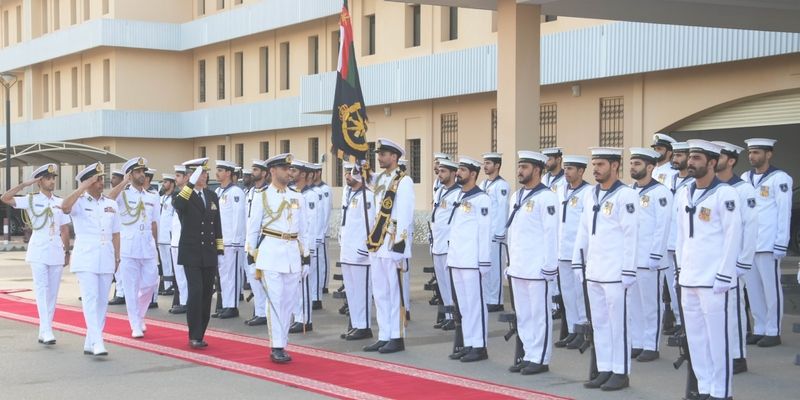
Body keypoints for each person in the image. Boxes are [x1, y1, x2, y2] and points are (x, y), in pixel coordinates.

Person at [676, 139, 742, 400]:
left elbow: (732, 236)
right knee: (696, 339)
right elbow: (680, 235)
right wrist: (680, 270)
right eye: (690, 158)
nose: (690, 162)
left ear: (712, 163)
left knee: (718, 340)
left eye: (697, 158)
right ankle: (703, 387)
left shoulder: (725, 194)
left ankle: (721, 391)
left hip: (715, 280)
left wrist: (725, 273)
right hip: (690, 277)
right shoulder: (684, 193)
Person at [573, 147, 638, 391]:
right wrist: (578, 260)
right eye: (594, 164)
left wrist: (629, 270)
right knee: (599, 323)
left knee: (618, 324)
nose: (595, 169)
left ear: (614, 166)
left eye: (600, 164)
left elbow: (632, 236)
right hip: (595, 269)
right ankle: (605, 368)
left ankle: (620, 372)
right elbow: (583, 230)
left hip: (616, 272)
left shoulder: (625, 195)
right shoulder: (591, 194)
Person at [246, 153, 312, 363]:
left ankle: (282, 342)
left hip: (292, 254)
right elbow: (252, 228)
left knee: (288, 302)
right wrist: (251, 255)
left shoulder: (297, 196)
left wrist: (306, 256)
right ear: (273, 171)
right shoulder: (261, 196)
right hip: (270, 254)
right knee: (275, 300)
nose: (289, 172)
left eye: (290, 169)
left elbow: (304, 230)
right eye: (284, 169)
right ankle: (276, 346)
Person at [1, 164, 71, 345]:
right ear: (40, 181)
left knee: (53, 292)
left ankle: (44, 329)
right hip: (39, 249)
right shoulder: (31, 199)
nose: (52, 181)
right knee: (41, 289)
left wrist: (67, 251)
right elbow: (5, 198)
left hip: (56, 249)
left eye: (53, 178)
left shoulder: (59, 202)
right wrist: (24, 184)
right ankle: (47, 330)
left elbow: (64, 229)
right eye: (48, 178)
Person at [505, 151, 559, 374]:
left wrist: (549, 265)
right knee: (524, 316)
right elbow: (513, 234)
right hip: (518, 266)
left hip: (537, 268)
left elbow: (551, 234)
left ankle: (540, 358)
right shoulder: (516, 196)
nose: (520, 171)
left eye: (525, 167)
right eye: (519, 166)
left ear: (537, 170)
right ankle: (528, 354)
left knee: (539, 315)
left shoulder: (547, 197)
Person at [61, 163, 121, 356]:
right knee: (90, 298)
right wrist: (81, 188)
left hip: (106, 255)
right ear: (88, 182)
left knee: (102, 300)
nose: (101, 182)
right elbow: (64, 207)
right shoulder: (78, 202)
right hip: (85, 255)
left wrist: (117, 257)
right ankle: (98, 341)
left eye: (101, 179)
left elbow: (116, 233)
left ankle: (91, 340)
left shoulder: (110, 204)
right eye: (97, 179)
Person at [740, 138, 793, 348]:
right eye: (750, 152)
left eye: (757, 152)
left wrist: (781, 241)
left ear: (768, 154)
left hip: (769, 242)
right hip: (750, 243)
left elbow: (783, 211)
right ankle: (760, 327)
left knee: (771, 288)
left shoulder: (780, 178)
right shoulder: (745, 178)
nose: (752, 156)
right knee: (753, 288)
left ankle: (773, 330)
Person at [363, 138, 415, 354]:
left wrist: (400, 247)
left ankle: (397, 336)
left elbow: (405, 216)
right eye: (379, 154)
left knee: (395, 293)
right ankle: (384, 334)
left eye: (383, 154)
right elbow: (362, 178)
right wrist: (358, 159)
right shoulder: (381, 179)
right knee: (380, 292)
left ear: (394, 157)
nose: (379, 157)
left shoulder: (403, 181)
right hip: (377, 243)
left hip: (393, 244)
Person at [713, 140, 757, 374]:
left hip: (733, 261)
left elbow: (750, 228)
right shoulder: (710, 189)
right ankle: (720, 353)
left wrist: (743, 260)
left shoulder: (743, 189)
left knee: (734, 309)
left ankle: (737, 355)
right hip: (711, 261)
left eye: (719, 156)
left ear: (730, 160)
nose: (714, 159)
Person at [173, 157, 224, 348]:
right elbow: (178, 206)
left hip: (209, 251)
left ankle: (201, 333)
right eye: (201, 172)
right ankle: (194, 334)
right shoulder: (182, 196)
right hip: (191, 252)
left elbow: (216, 223)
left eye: (205, 172)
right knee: (195, 292)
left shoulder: (212, 196)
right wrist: (190, 183)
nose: (205, 175)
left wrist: (219, 249)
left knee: (205, 294)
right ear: (191, 176)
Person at [627, 148, 672, 363]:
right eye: (632, 163)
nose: (633, 167)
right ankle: (637, 341)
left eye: (637, 163)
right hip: (632, 259)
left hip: (650, 259)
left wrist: (656, 254)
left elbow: (662, 227)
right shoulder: (628, 191)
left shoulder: (661, 193)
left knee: (651, 304)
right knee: (634, 304)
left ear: (650, 167)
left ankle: (651, 345)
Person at [446, 156, 493, 362]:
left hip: (472, 261)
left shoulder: (481, 199)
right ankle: (469, 342)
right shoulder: (459, 196)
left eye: (463, 170)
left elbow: (484, 232)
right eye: (459, 170)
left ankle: (479, 346)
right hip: (457, 259)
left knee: (475, 304)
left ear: (473, 174)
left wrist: (483, 262)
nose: (458, 173)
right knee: (464, 306)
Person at [110, 157, 160, 338]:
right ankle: (135, 324)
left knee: (151, 282)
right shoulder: (122, 195)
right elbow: (108, 199)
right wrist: (124, 182)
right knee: (130, 287)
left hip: (147, 246)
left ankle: (139, 315)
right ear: (131, 175)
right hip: (128, 247)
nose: (141, 175)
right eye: (137, 172)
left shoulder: (153, 197)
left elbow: (155, 223)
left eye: (142, 172)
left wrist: (156, 247)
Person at [554, 155, 590, 350]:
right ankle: (572, 330)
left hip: (579, 253)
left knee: (579, 294)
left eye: (570, 169)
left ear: (581, 171)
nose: (566, 172)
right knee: (567, 294)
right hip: (562, 250)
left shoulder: (588, 192)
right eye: (565, 168)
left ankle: (583, 330)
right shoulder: (560, 191)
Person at [339, 161, 376, 340]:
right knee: (352, 291)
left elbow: (370, 224)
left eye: (351, 173)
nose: (347, 176)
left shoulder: (367, 196)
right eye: (347, 173)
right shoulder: (350, 195)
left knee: (362, 291)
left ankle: (364, 326)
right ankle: (355, 323)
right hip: (347, 250)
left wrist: (365, 248)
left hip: (360, 252)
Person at [663, 142, 693, 336]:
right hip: (667, 239)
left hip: (684, 241)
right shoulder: (668, 179)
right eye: (675, 155)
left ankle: (687, 322)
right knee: (672, 285)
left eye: (681, 155)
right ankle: (677, 319)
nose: (676, 158)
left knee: (684, 283)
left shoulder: (693, 183)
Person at [430, 159, 461, 331]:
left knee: (451, 283)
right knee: (442, 283)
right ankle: (448, 315)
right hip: (437, 243)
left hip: (448, 244)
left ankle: (454, 316)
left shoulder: (458, 193)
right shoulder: (440, 190)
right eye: (439, 171)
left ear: (452, 173)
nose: (440, 174)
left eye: (443, 171)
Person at [288, 159, 319, 333]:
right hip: (293, 245)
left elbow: (311, 225)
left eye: (294, 170)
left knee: (303, 284)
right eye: (290, 169)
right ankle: (297, 316)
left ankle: (305, 319)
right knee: (294, 284)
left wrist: (307, 249)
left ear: (304, 174)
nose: (291, 173)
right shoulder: (293, 194)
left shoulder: (310, 195)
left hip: (304, 246)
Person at [213, 160, 246, 319]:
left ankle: (232, 306)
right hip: (221, 240)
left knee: (232, 274)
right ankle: (225, 305)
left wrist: (236, 240)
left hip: (232, 242)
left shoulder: (236, 192)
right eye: (217, 170)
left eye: (220, 170)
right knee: (223, 275)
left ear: (228, 173)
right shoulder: (219, 191)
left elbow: (239, 218)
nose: (217, 173)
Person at [480, 152, 510, 313]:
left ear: (497, 165)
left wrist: (500, 232)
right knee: (486, 267)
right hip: (485, 233)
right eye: (484, 163)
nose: (485, 166)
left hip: (495, 234)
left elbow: (502, 209)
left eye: (489, 163)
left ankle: (496, 300)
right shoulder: (484, 184)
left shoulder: (501, 185)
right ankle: (487, 297)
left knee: (495, 267)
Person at [243, 160, 270, 327]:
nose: (252, 172)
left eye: (255, 170)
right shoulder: (251, 192)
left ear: (265, 173)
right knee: (253, 276)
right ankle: (259, 311)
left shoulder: (268, 192)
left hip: (263, 240)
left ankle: (264, 312)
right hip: (250, 239)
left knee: (263, 279)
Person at [168, 165, 189, 314]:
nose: (176, 178)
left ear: (186, 177)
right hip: (175, 241)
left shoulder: (188, 194)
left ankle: (187, 301)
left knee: (185, 274)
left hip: (184, 241)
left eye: (178, 175)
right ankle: (183, 301)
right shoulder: (177, 194)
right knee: (180, 275)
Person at [108, 169, 126, 305]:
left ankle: (121, 293)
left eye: (114, 178)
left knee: (122, 267)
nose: (111, 180)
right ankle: (120, 292)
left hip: (125, 236)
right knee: (118, 267)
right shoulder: (116, 193)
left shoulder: (124, 193)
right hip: (116, 235)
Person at [157, 174, 177, 296]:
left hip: (169, 235)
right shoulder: (162, 198)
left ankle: (172, 286)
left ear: (171, 184)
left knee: (170, 262)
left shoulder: (174, 198)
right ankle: (167, 285)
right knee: (164, 262)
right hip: (161, 235)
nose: (163, 184)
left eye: (165, 182)